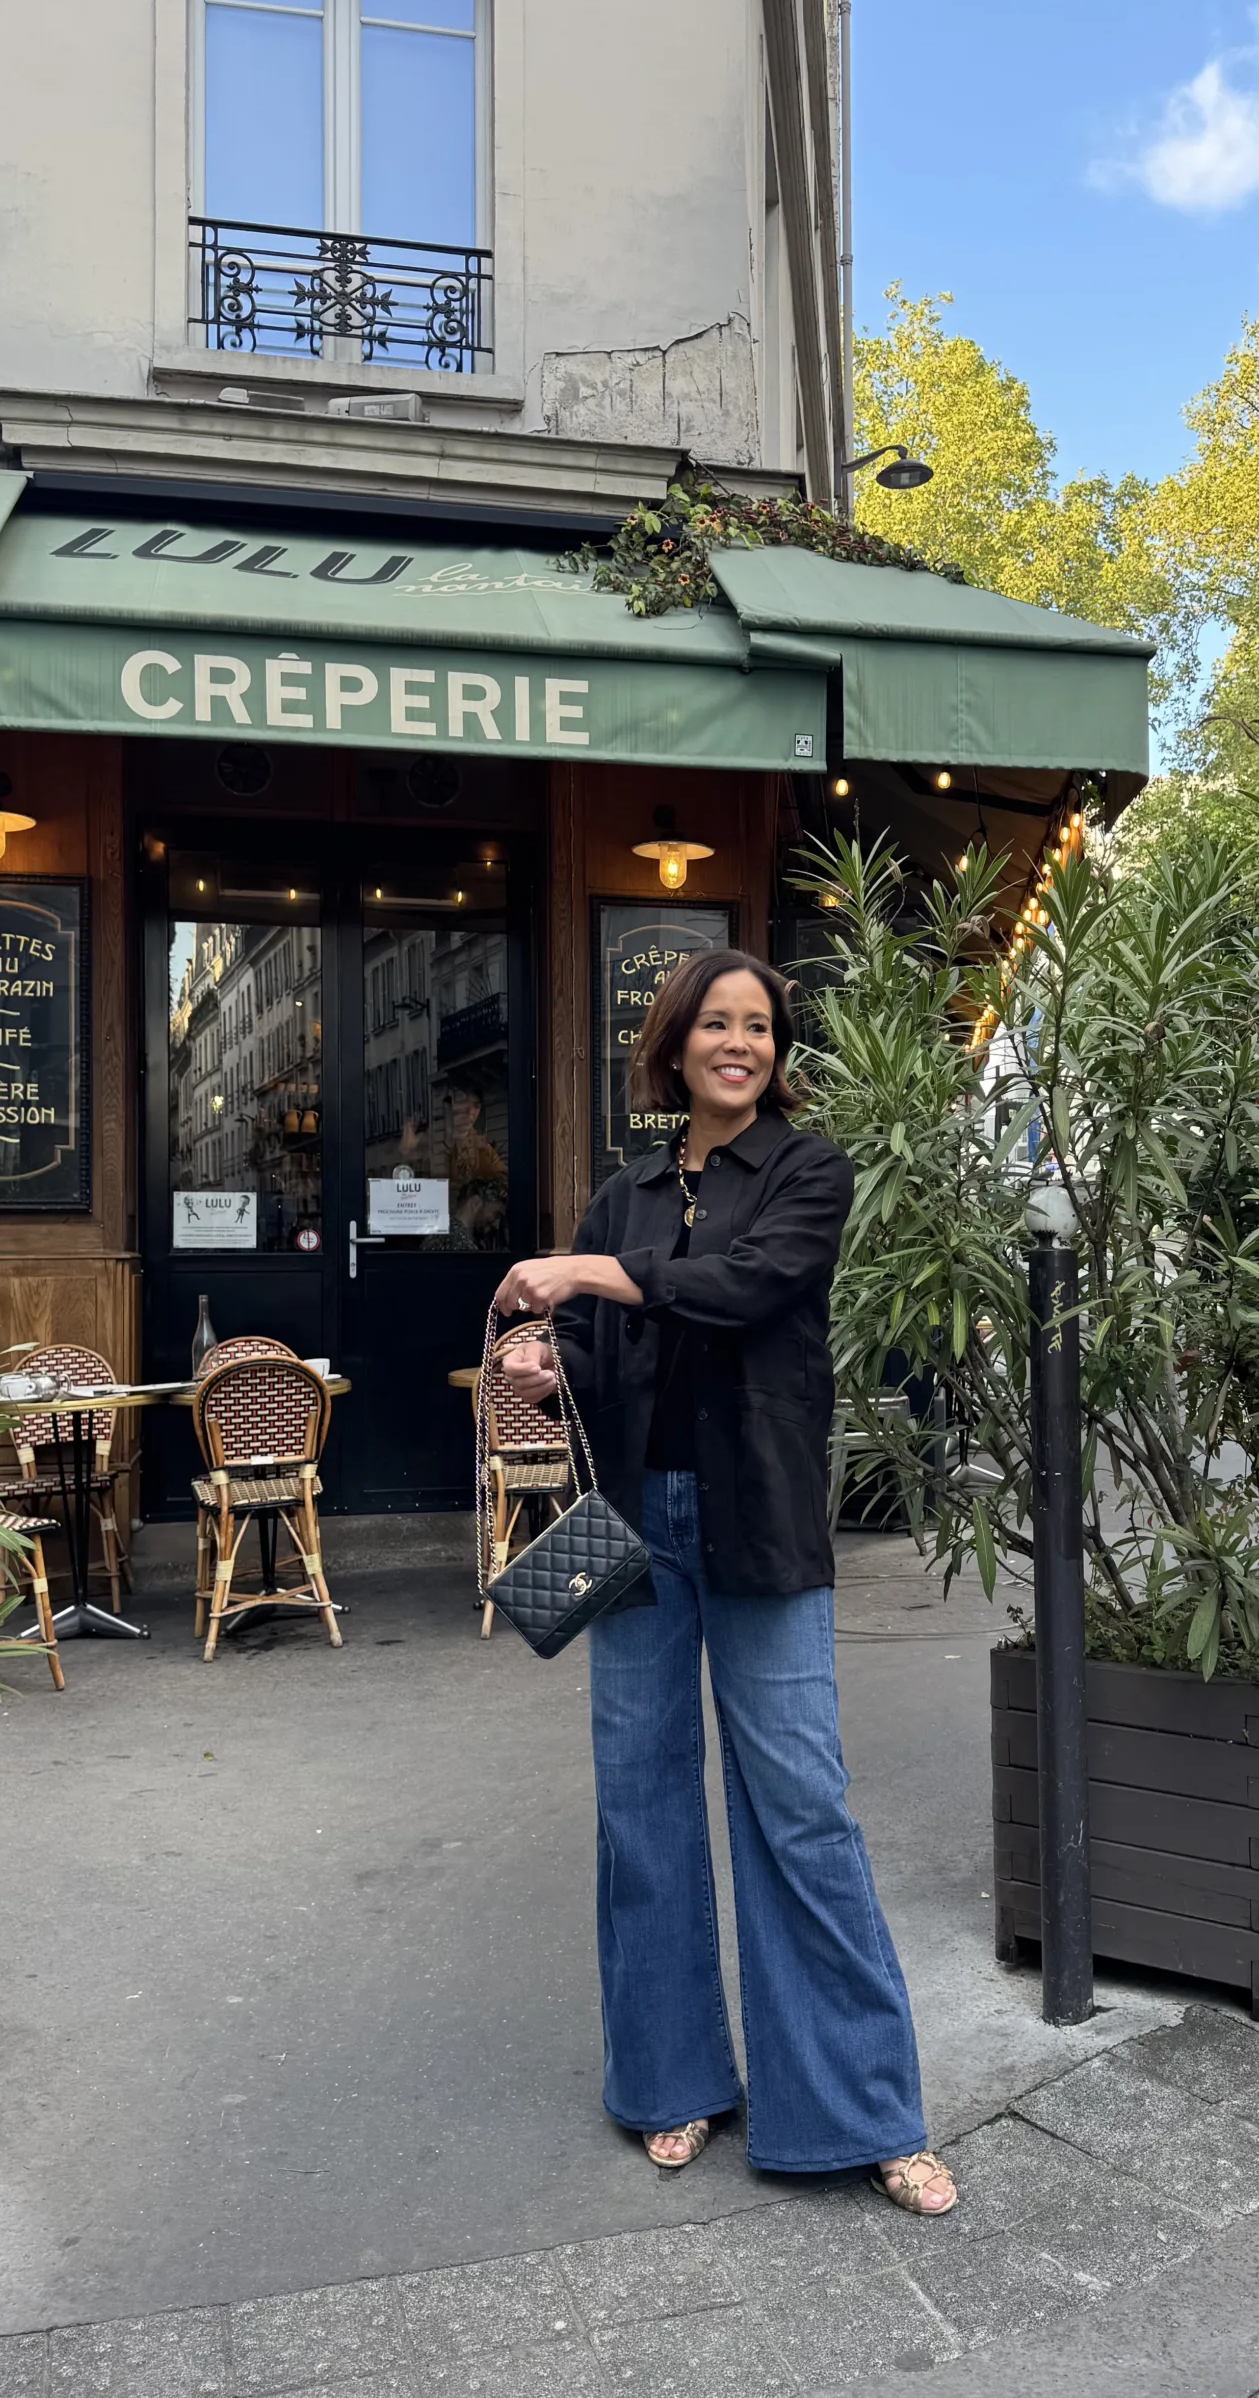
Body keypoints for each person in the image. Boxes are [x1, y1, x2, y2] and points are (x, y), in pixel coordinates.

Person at [492, 949, 957, 2214]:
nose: (739, 1042)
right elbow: (599, 1353)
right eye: (718, 1023)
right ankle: (671, 2082)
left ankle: (861, 2110)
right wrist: (552, 1364)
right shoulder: (628, 1191)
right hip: (637, 1524)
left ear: (776, 1051)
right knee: (639, 1799)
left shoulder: (808, 1172)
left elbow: (751, 1289)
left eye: (759, 1026)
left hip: (760, 1525)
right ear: (677, 1043)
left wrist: (586, 1276)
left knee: (802, 1802)